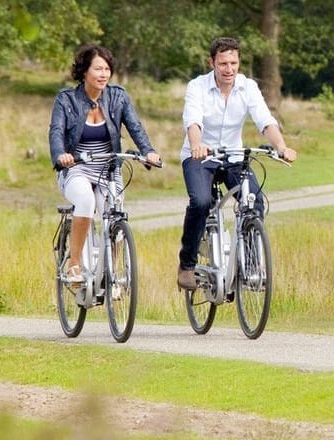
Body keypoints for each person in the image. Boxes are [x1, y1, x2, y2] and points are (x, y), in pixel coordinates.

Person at [177, 37, 298, 289]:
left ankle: (252, 265)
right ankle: (187, 264)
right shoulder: (197, 87)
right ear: (212, 63)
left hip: (233, 157)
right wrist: (197, 144)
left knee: (254, 200)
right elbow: (193, 120)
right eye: (223, 63)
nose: (229, 69)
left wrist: (281, 147)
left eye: (233, 62)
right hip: (201, 156)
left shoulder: (248, 87)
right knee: (200, 202)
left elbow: (265, 120)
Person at [49, 45, 161, 283]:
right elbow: (56, 131)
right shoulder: (66, 99)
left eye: (107, 69)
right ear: (84, 71)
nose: (103, 74)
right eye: (97, 68)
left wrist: (148, 151)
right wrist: (61, 155)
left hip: (108, 169)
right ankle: (75, 264)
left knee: (115, 214)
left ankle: (113, 272)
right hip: (76, 168)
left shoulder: (118, 96)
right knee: (86, 201)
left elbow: (135, 127)